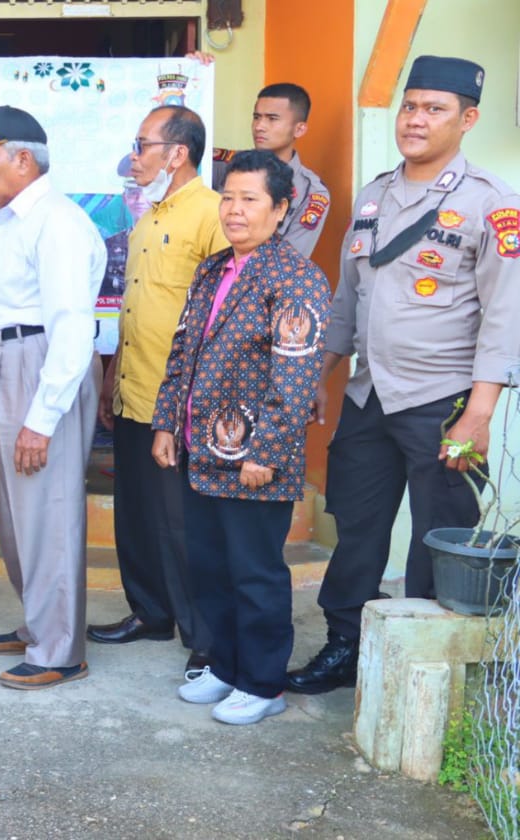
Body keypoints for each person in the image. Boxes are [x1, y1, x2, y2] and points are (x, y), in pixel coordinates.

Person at [288, 56, 520, 695]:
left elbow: (506, 315)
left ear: (467, 120)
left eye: (434, 109)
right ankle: (345, 646)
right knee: (357, 528)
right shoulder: (373, 195)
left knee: (436, 535)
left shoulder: (491, 203)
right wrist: (320, 373)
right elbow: (347, 300)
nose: (416, 119)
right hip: (369, 394)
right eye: (410, 106)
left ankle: (423, 668)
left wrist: (479, 414)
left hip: (443, 401)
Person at [151, 150, 332, 725]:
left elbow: (295, 375)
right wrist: (166, 422)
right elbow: (183, 351)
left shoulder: (296, 278)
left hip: (254, 458)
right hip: (201, 450)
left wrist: (267, 452)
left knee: (255, 574)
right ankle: (226, 667)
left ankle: (262, 682)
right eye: (228, 197)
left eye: (249, 199)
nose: (234, 209)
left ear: (280, 209)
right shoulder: (213, 269)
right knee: (210, 568)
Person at [0, 106, 104, 690]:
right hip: (1, 361)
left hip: (35, 364)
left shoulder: (57, 222)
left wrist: (42, 419)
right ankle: (41, 622)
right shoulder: (14, 219)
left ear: (22, 160)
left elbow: (70, 327)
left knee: (46, 508)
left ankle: (60, 650)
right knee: (15, 509)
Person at [90, 106, 227, 673]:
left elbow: (223, 311)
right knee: (137, 515)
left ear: (178, 153)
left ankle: (206, 640)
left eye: (143, 144)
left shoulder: (212, 213)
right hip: (133, 388)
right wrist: (112, 375)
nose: (134, 156)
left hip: (179, 401)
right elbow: (138, 305)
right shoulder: (148, 217)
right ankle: (149, 612)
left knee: (182, 525)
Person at [211, 83, 331, 259]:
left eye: (272, 119)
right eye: (256, 117)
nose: (259, 126)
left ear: (299, 129)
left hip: (262, 274)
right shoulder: (225, 166)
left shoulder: (311, 191)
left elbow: (289, 260)